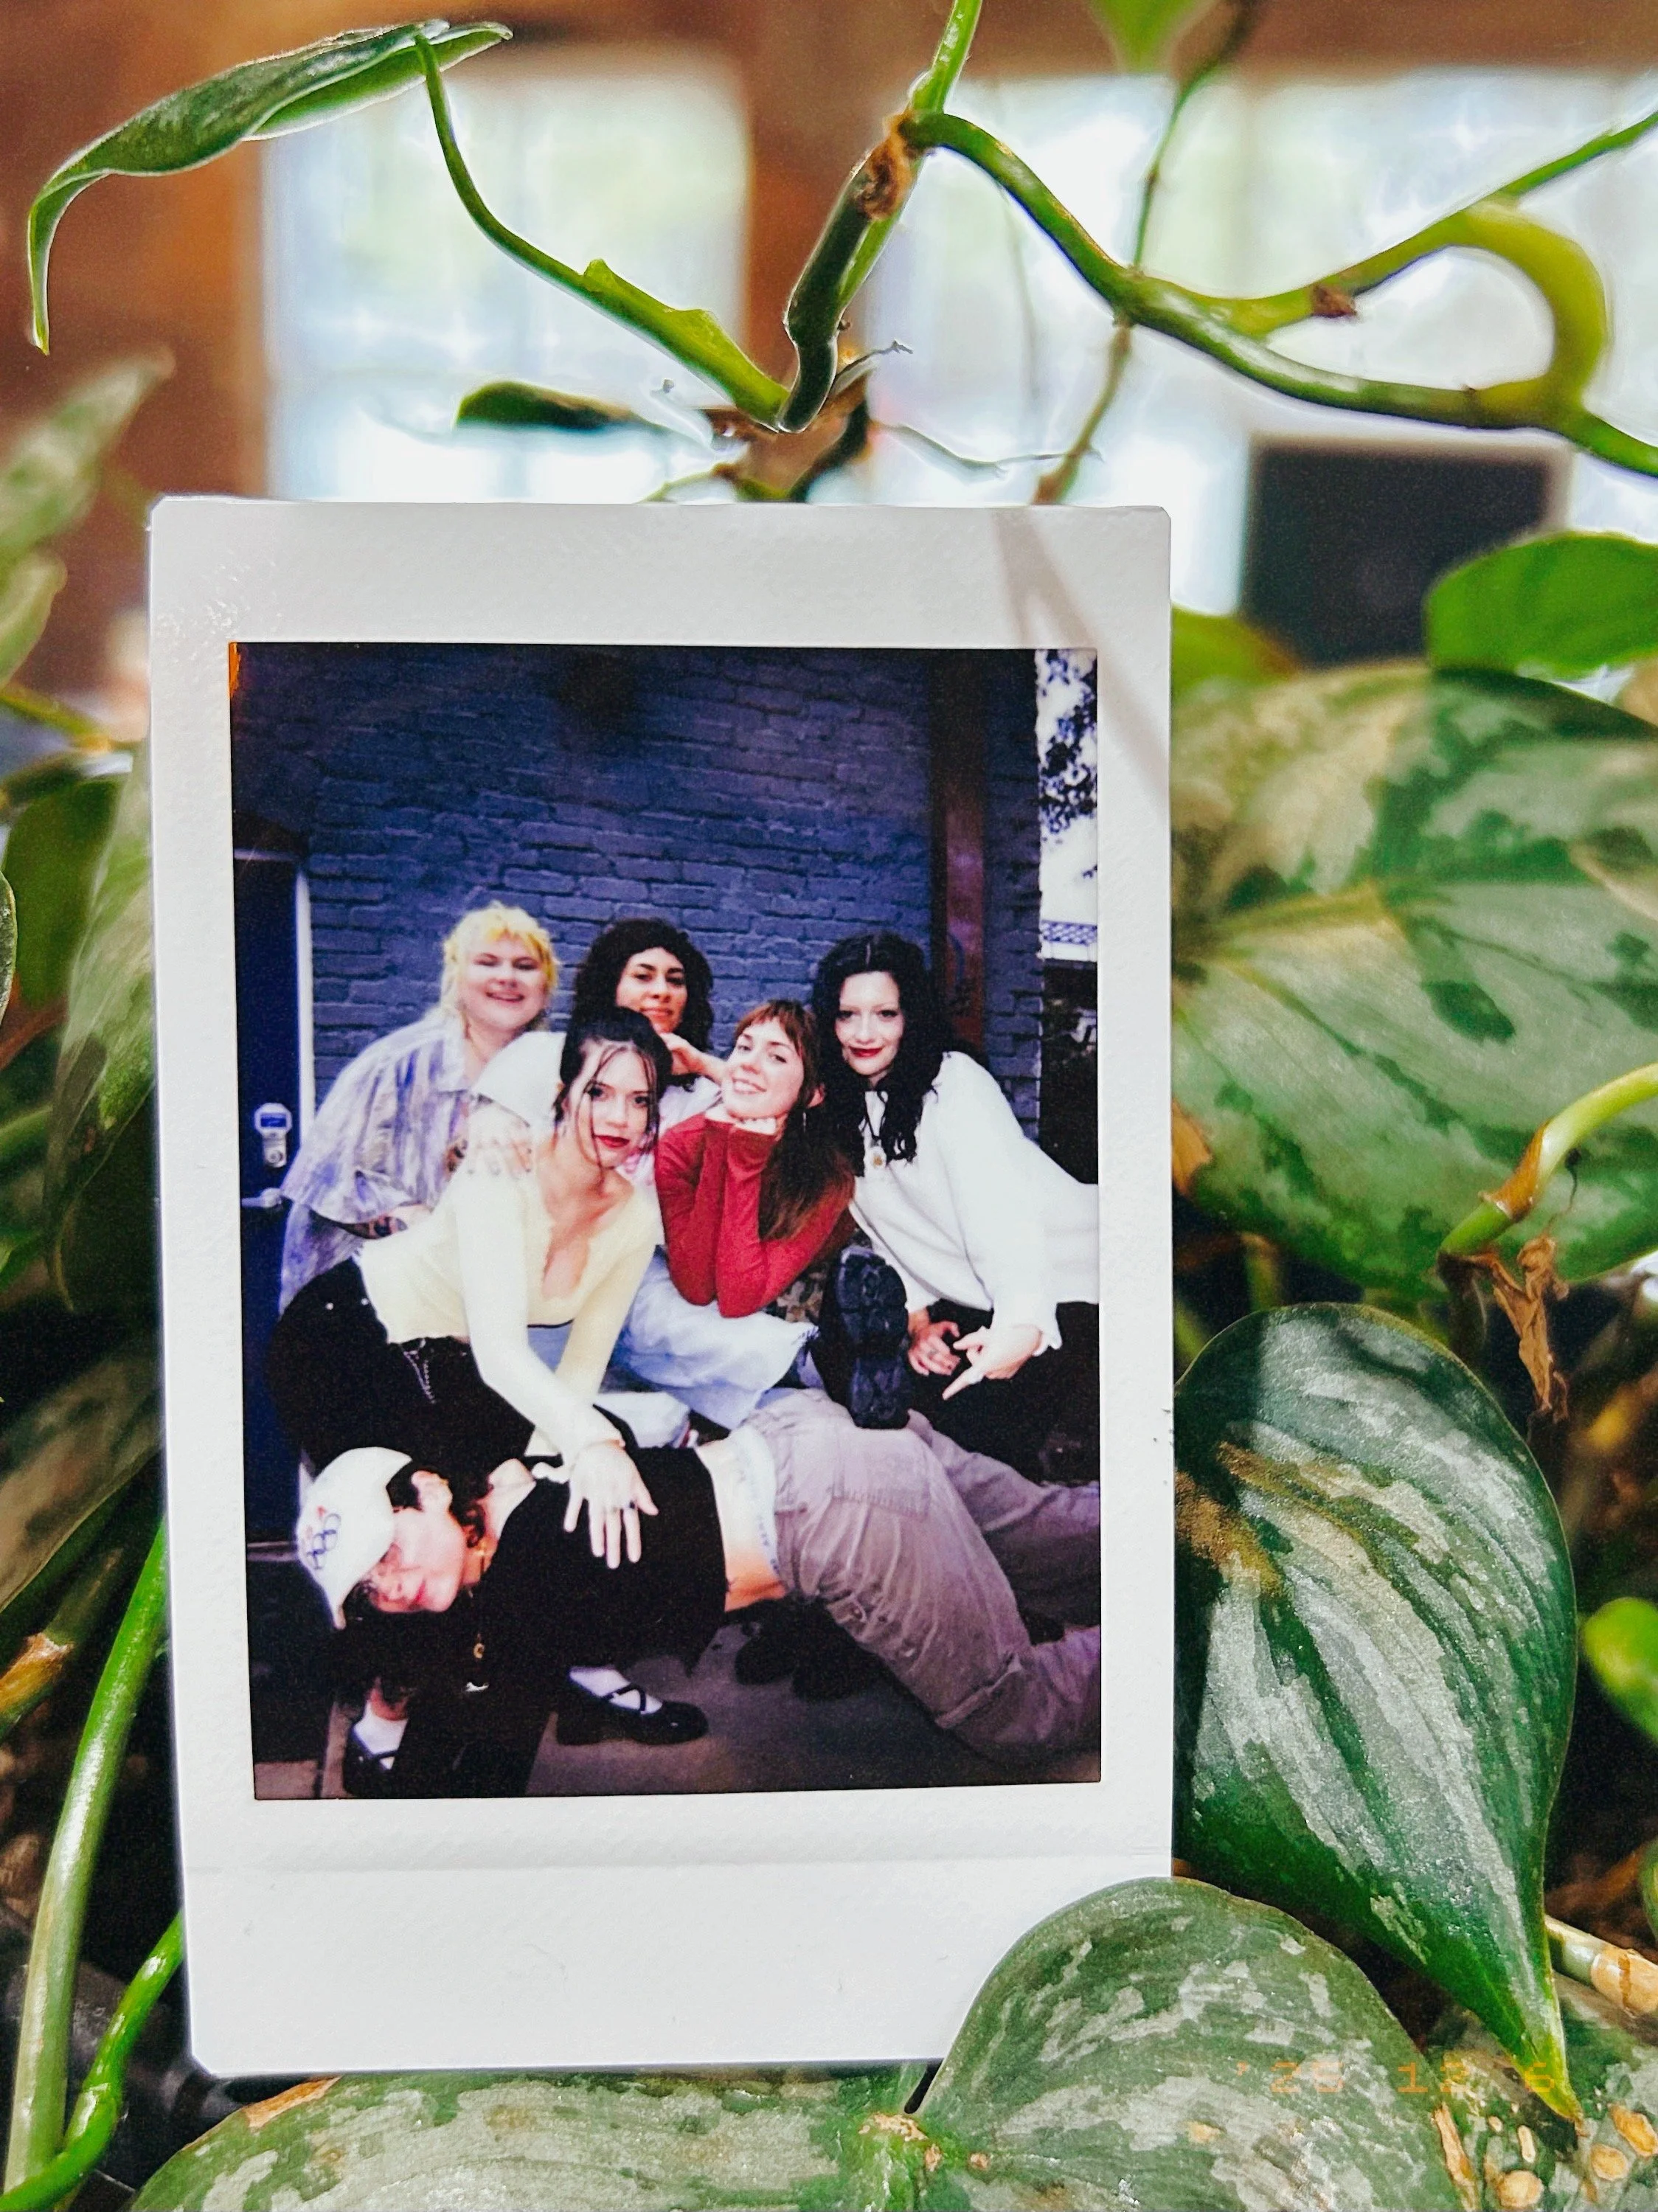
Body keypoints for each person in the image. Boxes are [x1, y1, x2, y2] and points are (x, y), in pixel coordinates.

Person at [295, 1389, 1100, 1796]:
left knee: (1017, 1713)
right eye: (370, 1588)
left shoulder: (519, 1578)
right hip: (807, 1435)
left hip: (834, 1515)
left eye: (388, 1549)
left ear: (430, 1488)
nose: (393, 1583)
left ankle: (1171, 1634)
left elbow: (483, 1756)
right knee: (1055, 1537)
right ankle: (1175, 1521)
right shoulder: (516, 1486)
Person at [268, 1010, 707, 1749]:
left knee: (557, 1484)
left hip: (441, 1358)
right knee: (412, 1534)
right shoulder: (501, 1173)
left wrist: (549, 1464)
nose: (621, 1118)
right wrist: (579, 1447)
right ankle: (384, 1718)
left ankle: (586, 1658)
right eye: (600, 1092)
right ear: (563, 1091)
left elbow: (581, 1369)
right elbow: (503, 1354)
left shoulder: (633, 1219)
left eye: (640, 1100)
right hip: (344, 1341)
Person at [480, 919, 811, 1432]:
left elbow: (781, 1101)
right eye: (643, 975)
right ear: (610, 984)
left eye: (675, 980)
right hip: (539, 1262)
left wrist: (703, 1064)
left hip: (639, 1270)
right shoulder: (546, 1055)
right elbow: (482, 1130)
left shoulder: (703, 1097)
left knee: (691, 1327)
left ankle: (823, 1361)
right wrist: (491, 1121)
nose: (661, 990)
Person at [811, 931, 1098, 1475]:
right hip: (980, 1298)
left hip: (1070, 1285)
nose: (865, 1033)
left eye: (886, 1014)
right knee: (939, 1459)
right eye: (848, 1015)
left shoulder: (955, 1085)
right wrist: (918, 1320)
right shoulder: (844, 1106)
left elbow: (1001, 1217)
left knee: (997, 1473)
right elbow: (888, 1227)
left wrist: (1022, 1323)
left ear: (911, 1017)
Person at [278, 902, 556, 1311]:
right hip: (358, 1304)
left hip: (475, 1308)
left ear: (546, 987)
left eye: (525, 966)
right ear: (456, 978)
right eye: (487, 962)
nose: (507, 978)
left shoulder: (553, 1074)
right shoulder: (396, 1063)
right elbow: (325, 1179)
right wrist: (423, 1225)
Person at [656, 999, 853, 1320]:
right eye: (744, 1048)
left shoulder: (827, 1175)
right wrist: (720, 1146)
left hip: (819, 1277)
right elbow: (695, 1288)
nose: (749, 1064)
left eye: (777, 1057)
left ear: (813, 1093)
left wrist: (745, 1166)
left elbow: (737, 1301)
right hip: (739, 1275)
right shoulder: (680, 1146)